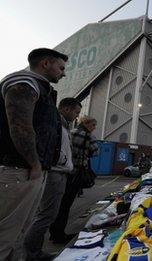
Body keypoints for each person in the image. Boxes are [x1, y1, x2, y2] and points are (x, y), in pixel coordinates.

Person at [0, 48, 67, 260]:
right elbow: (20, 127)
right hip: (18, 170)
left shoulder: (41, 90)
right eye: (61, 67)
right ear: (45, 64)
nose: (63, 73)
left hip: (30, 170)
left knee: (19, 234)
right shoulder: (24, 84)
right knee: (6, 235)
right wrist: (35, 164)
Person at [24, 98, 81, 260]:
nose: (77, 116)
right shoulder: (55, 123)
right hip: (55, 172)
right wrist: (61, 161)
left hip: (59, 172)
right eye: (76, 112)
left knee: (46, 214)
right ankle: (31, 253)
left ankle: (35, 251)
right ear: (67, 109)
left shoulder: (63, 125)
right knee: (46, 215)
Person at [49, 115, 98, 244]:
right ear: (87, 124)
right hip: (76, 174)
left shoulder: (71, 131)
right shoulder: (87, 136)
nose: (94, 128)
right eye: (93, 125)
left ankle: (53, 232)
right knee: (66, 205)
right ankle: (59, 234)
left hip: (66, 172)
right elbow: (95, 151)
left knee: (60, 204)